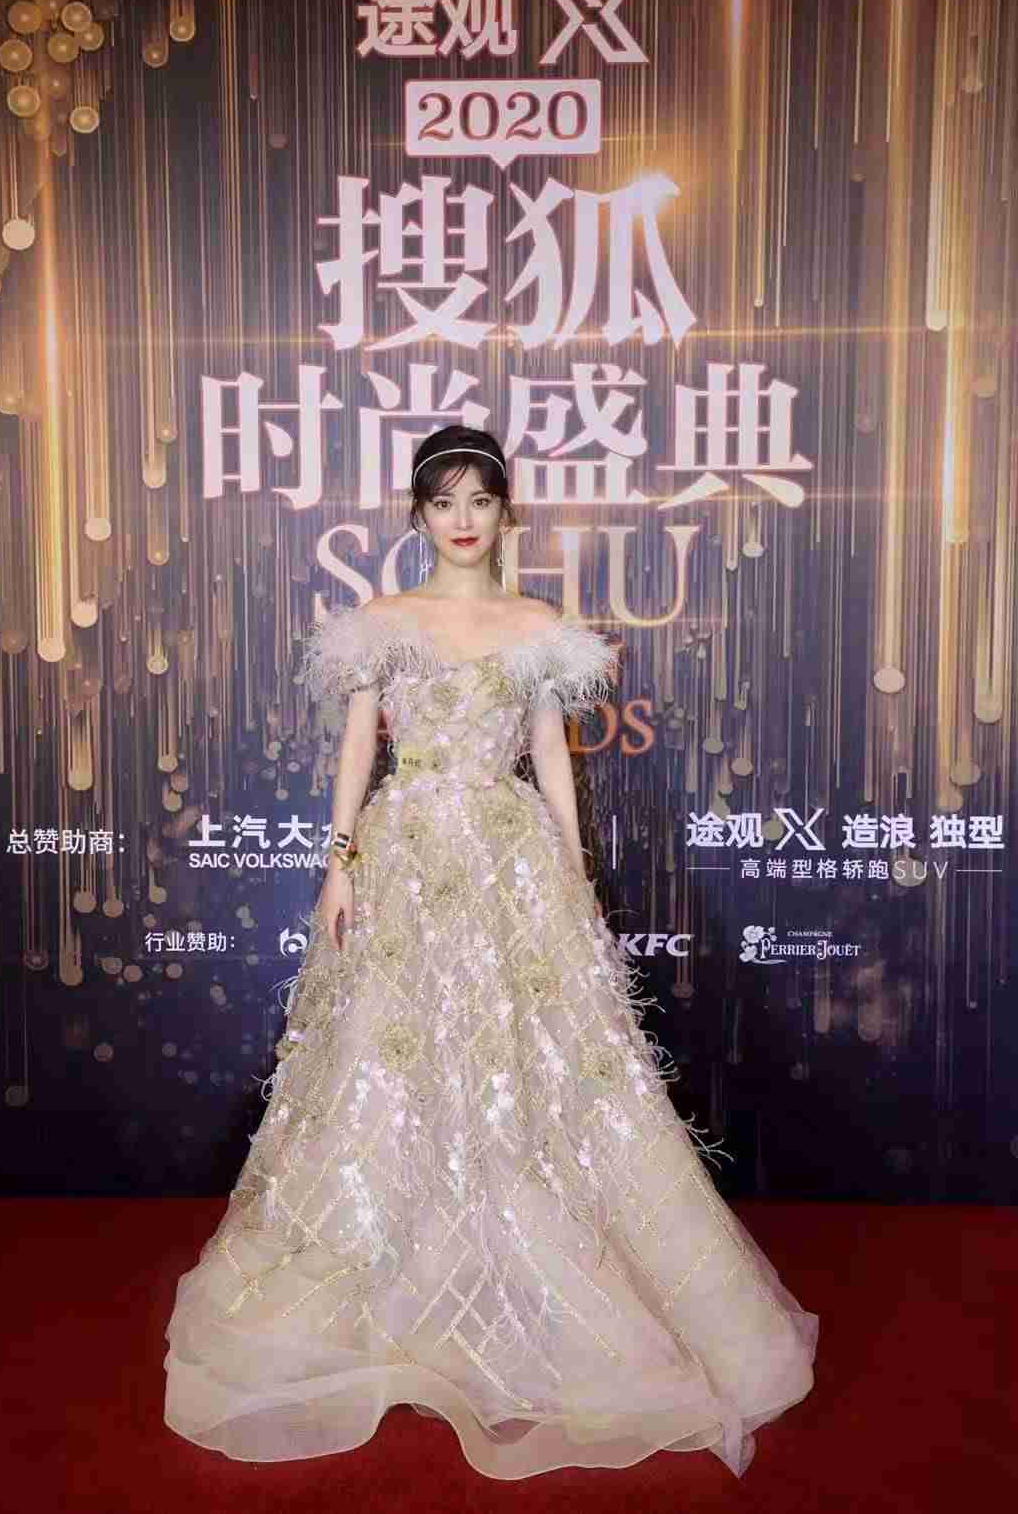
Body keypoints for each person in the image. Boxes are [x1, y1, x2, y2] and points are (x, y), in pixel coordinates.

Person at [163, 425, 819, 1480]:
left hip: (510, 860)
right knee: (391, 1063)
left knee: (533, 1066)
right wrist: (339, 863)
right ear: (418, 515)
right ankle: (398, 1274)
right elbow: (359, 746)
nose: (463, 519)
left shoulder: (538, 626)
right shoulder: (383, 622)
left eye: (479, 499)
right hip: (407, 854)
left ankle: (527, 1283)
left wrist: (572, 873)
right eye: (443, 501)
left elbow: (554, 756)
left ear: (507, 512)